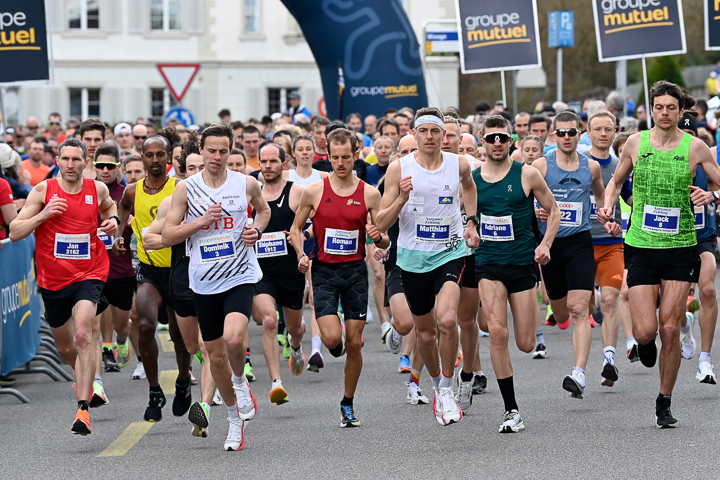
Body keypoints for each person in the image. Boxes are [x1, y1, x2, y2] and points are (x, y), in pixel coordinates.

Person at [600, 81, 720, 428]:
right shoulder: (636, 144)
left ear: (680, 111)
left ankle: (664, 400)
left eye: (671, 107)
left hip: (682, 246)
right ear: (651, 110)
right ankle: (644, 343)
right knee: (645, 332)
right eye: (659, 107)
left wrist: (710, 197)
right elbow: (614, 182)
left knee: (669, 329)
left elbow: (718, 184)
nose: (664, 113)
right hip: (641, 244)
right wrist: (608, 207)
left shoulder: (695, 147)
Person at [163, 123, 270, 450]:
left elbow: (263, 212)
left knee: (234, 338)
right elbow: (167, 235)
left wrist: (257, 231)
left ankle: (240, 385)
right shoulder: (186, 190)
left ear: (231, 151)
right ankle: (234, 419)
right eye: (212, 150)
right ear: (202, 151)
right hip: (204, 280)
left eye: (224, 151)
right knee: (216, 357)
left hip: (240, 273)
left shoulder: (246, 184)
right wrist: (199, 223)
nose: (217, 157)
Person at [376, 107, 481, 426]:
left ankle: (447, 388)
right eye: (424, 131)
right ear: (415, 134)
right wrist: (401, 200)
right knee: (425, 333)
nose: (431, 137)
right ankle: (437, 384)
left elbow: (470, 188)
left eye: (438, 131)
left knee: (448, 319)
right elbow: (380, 222)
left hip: (450, 253)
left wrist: (472, 222)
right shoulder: (399, 169)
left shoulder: (459, 164)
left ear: (445, 135)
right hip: (411, 258)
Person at [10, 138, 119, 435]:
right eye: (65, 159)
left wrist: (113, 221)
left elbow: (110, 209)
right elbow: (15, 231)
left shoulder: (96, 189)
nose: (70, 164)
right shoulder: (44, 191)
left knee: (84, 333)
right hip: (54, 280)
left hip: (91, 270)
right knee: (65, 347)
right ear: (58, 160)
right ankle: (83, 372)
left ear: (86, 162)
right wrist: (44, 214)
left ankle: (83, 409)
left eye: (76, 159)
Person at [290, 127, 388, 427]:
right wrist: (300, 254)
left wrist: (379, 239)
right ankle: (334, 346)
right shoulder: (314, 191)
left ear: (356, 156)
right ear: (328, 157)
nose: (341, 163)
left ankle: (347, 403)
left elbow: (384, 238)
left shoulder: (370, 194)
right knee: (333, 338)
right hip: (323, 272)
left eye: (347, 157)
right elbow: (296, 229)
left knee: (355, 343)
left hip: (355, 272)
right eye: (335, 158)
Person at [473, 115, 559, 432]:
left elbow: (554, 210)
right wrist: (469, 230)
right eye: (491, 138)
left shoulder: (527, 174)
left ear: (512, 141)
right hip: (487, 263)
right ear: (482, 141)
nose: (497, 143)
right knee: (497, 333)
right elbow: (461, 215)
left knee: (524, 343)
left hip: (522, 264)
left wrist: (546, 244)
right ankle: (511, 410)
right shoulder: (472, 179)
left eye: (502, 138)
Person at [142, 137, 218, 438]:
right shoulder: (174, 199)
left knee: (208, 345)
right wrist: (182, 234)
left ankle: (205, 407)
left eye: (202, 166)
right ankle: (221, 382)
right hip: (184, 277)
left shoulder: (227, 194)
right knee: (191, 345)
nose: (198, 172)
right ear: (183, 171)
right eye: (191, 168)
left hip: (219, 276)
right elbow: (148, 239)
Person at [116, 131, 192, 422]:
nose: (155, 160)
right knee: (145, 325)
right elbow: (123, 209)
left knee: (179, 336)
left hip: (178, 267)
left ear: (169, 156)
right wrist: (120, 235)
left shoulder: (180, 187)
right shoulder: (133, 191)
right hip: (149, 270)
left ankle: (183, 380)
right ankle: (154, 390)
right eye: (150, 154)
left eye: (161, 154)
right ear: (142, 156)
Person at [533, 111, 606, 398]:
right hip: (550, 246)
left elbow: (600, 195)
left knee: (578, 310)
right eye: (561, 133)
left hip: (578, 242)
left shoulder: (591, 167)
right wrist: (535, 211)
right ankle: (591, 299)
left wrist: (603, 212)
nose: (566, 137)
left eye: (571, 132)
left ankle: (579, 373)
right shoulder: (540, 166)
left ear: (580, 133)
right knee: (558, 308)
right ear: (553, 136)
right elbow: (525, 198)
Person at [253, 143, 306, 405]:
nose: (268, 166)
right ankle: (276, 382)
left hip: (290, 271)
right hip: (261, 272)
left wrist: (300, 235)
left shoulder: (296, 192)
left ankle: (296, 345)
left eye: (273, 161)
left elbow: (314, 226)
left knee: (294, 328)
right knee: (270, 321)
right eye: (263, 162)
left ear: (284, 164)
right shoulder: (253, 194)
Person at [585, 111, 634, 387]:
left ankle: (609, 360)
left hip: (610, 244)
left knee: (610, 300)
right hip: (581, 243)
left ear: (615, 132)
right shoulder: (579, 163)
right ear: (588, 132)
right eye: (598, 129)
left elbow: (629, 196)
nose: (603, 134)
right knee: (583, 306)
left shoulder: (620, 164)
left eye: (608, 129)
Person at [441, 115, 486, 412]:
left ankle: (467, 375)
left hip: (471, 249)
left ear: (461, 139)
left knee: (467, 320)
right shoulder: (420, 168)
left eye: (451, 136)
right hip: (437, 251)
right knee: (443, 318)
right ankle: (442, 383)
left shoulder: (475, 169)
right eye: (440, 135)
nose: (445, 140)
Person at [678, 113, 717, 384]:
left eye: (693, 137)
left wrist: (712, 196)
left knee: (707, 289)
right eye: (684, 137)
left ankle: (705, 360)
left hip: (703, 237)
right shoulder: (664, 161)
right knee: (677, 304)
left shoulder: (706, 162)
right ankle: (684, 327)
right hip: (675, 240)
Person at [92, 144, 134, 375]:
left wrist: (132, 223)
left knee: (121, 324)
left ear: (119, 166)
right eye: (100, 165)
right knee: (94, 322)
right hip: (94, 269)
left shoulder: (127, 194)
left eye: (110, 165)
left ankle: (121, 339)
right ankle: (104, 353)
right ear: (94, 166)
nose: (105, 170)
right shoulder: (88, 191)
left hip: (122, 268)